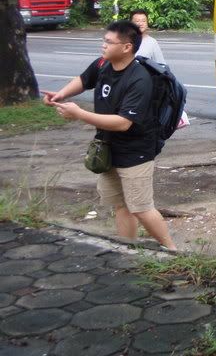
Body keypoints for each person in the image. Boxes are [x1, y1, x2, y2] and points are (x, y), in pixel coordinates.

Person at [43, 21, 177, 251]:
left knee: (141, 207)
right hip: (108, 147)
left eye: (108, 42)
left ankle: (172, 250)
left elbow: (123, 123)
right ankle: (126, 250)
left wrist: (79, 114)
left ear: (126, 47)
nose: (103, 45)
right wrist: (60, 95)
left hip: (136, 152)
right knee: (121, 205)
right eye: (103, 40)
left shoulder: (139, 78)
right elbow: (84, 80)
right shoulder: (103, 64)